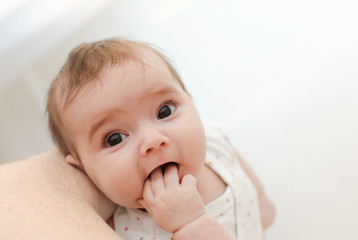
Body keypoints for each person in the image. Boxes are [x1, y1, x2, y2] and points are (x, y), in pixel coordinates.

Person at [0, 37, 275, 240]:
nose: (153, 140)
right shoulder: (122, 230)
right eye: (114, 138)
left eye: (164, 110)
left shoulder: (215, 141)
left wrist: (263, 206)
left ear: (189, 100)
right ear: (83, 168)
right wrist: (188, 225)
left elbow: (255, 192)